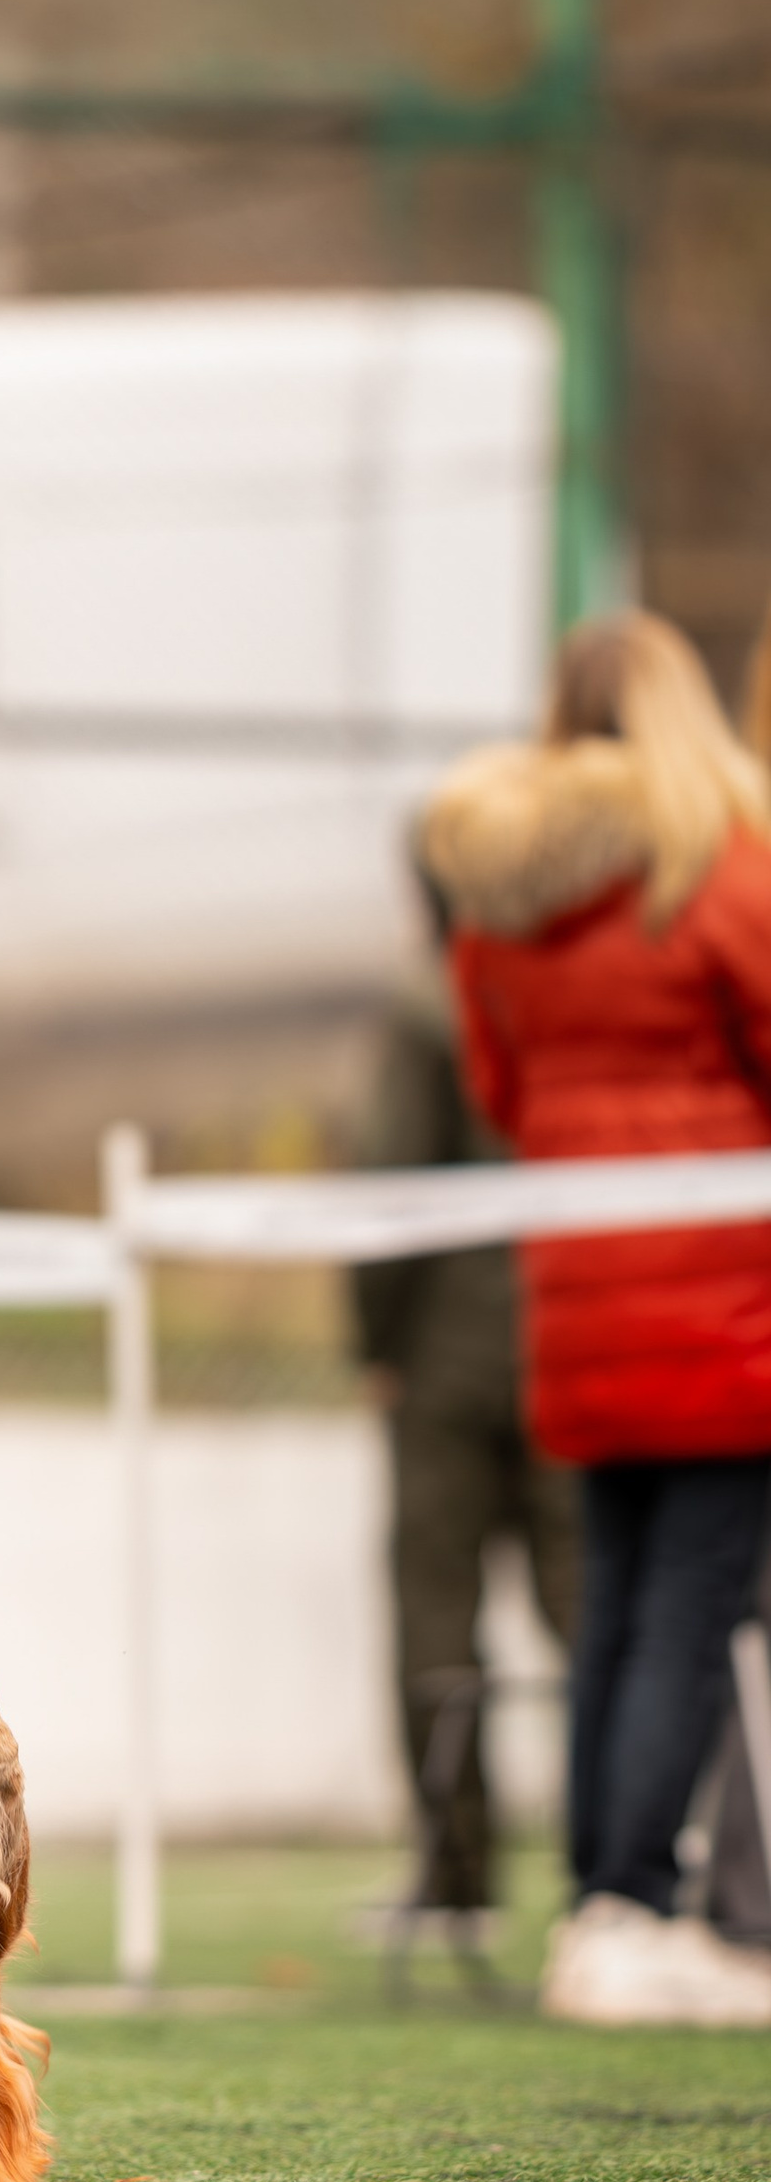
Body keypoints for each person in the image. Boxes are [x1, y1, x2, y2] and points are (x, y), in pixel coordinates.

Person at [422, 611, 771, 2027]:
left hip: (575, 1296)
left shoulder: (500, 903)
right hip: (726, 1300)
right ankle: (635, 1907)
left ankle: (598, 1903)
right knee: (687, 1617)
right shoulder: (720, 871)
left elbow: (503, 1090)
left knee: (617, 1614)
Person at [348, 870, 577, 1981]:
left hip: (442, 1358)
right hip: (577, 1341)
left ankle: (457, 1878)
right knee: (598, 1614)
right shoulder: (584, 997)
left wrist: (373, 1341)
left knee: (436, 1614)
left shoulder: (430, 1004)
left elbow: (387, 1184)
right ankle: (622, 1877)